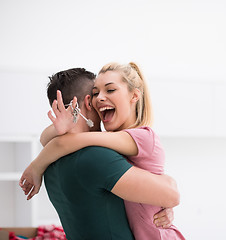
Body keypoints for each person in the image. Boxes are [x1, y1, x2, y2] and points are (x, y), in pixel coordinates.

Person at [20, 64, 185, 239]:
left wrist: (37, 166)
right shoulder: (99, 154)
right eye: (96, 93)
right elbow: (55, 141)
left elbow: (60, 142)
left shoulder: (137, 137)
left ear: (135, 95)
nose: (99, 99)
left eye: (110, 90)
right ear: (88, 102)